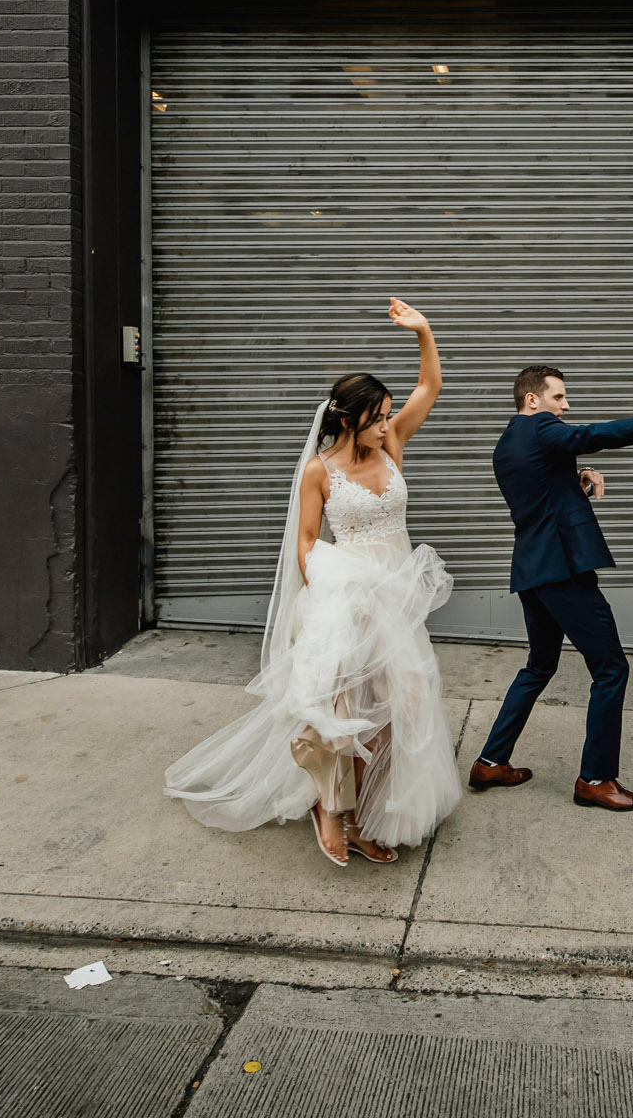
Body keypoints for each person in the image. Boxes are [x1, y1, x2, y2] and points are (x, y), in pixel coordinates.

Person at [164, 299, 460, 867]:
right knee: (343, 714)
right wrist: (333, 590)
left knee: (398, 713)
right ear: (348, 419)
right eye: (375, 417)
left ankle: (371, 816)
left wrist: (423, 331)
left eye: (387, 416)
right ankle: (333, 809)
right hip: (345, 603)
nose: (385, 424)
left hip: (396, 602)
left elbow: (433, 384)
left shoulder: (392, 444)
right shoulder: (319, 470)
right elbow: (305, 541)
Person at [469, 365, 633, 812]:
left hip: (533, 571)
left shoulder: (507, 443)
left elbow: (543, 495)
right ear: (532, 400)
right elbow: (596, 434)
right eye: (558, 397)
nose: (566, 406)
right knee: (611, 669)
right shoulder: (543, 430)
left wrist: (578, 479)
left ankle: (491, 761)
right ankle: (595, 779)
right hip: (563, 572)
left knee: (539, 666)